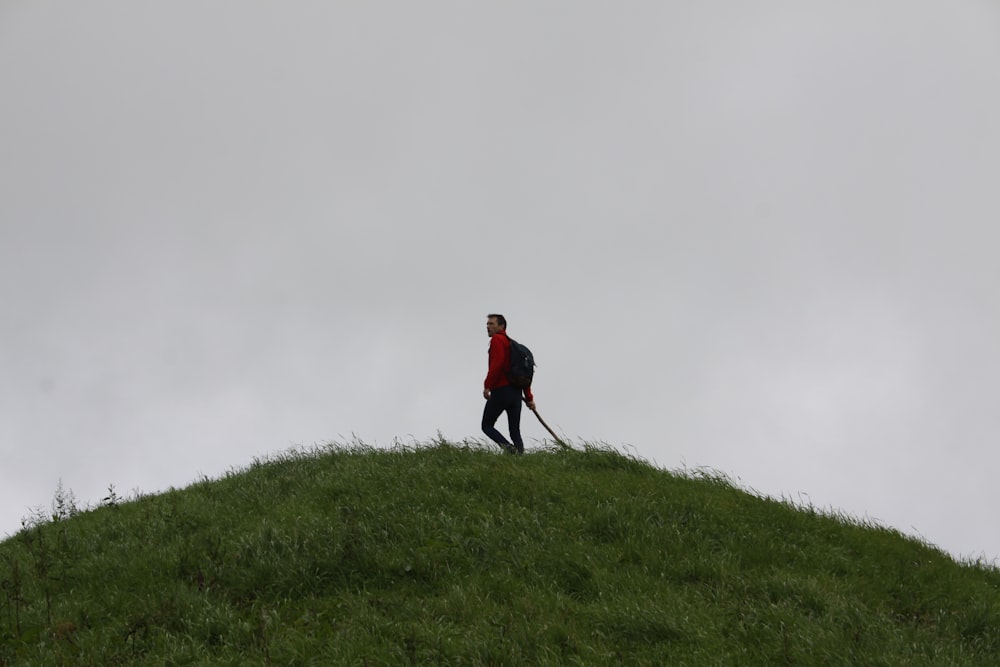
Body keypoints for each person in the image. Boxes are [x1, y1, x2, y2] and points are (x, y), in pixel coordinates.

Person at [482, 313, 535, 454]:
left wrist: (487, 385)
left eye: (491, 324)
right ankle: (520, 457)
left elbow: (497, 364)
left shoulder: (497, 340)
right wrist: (529, 398)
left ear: (501, 326)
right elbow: (524, 374)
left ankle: (509, 449)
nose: (488, 327)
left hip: (501, 390)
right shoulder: (512, 344)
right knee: (514, 430)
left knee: (487, 426)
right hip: (516, 393)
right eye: (487, 324)